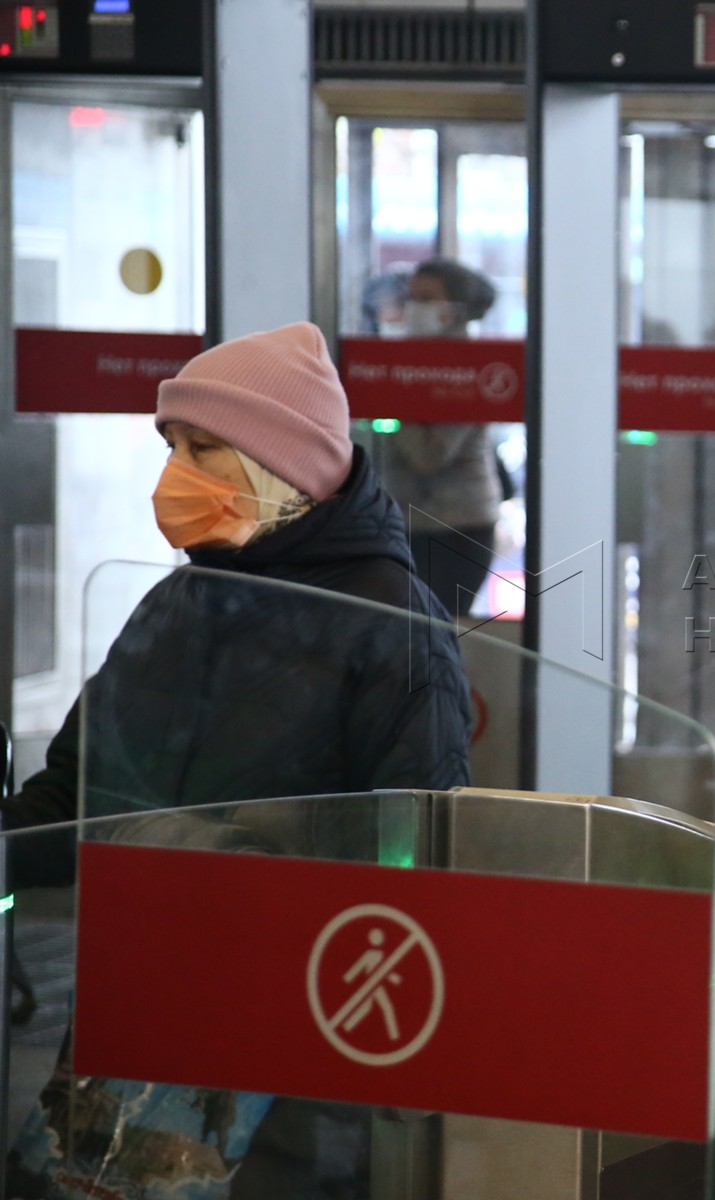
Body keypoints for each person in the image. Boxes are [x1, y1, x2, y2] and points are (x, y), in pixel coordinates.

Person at [2, 322, 473, 1200]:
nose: (175, 472)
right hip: (133, 1019)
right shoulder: (177, 603)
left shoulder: (394, 625)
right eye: (171, 444)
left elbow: (416, 864)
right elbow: (73, 797)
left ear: (279, 466)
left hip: (285, 1063)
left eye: (202, 447)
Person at [369, 258, 507, 618]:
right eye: (411, 297)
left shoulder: (467, 368)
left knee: (434, 636)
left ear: (454, 309)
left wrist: (388, 403)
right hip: (406, 523)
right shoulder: (404, 361)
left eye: (427, 298)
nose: (415, 307)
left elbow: (429, 455)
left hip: (457, 527)